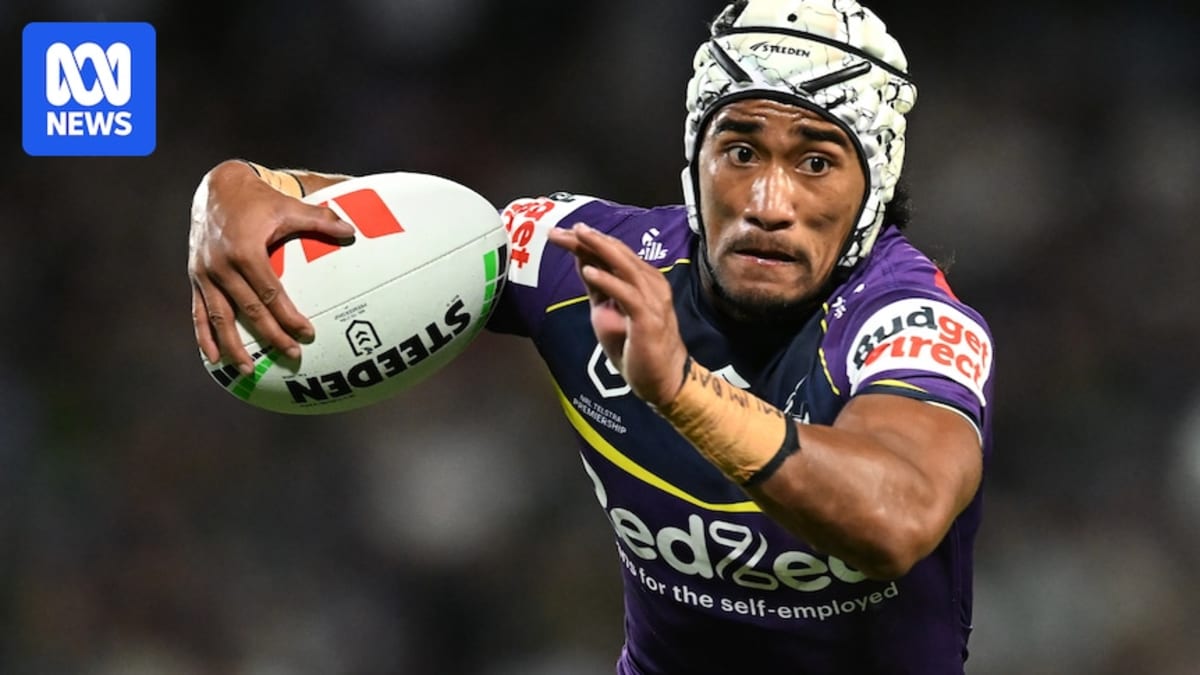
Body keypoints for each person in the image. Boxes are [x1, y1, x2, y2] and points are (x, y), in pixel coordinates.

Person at [188, 0, 995, 672]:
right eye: (740, 150)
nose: (769, 200)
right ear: (693, 159)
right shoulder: (591, 260)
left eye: (817, 162)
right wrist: (236, 189)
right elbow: (403, 232)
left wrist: (681, 389)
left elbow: (898, 516)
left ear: (875, 183)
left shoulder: (912, 323)